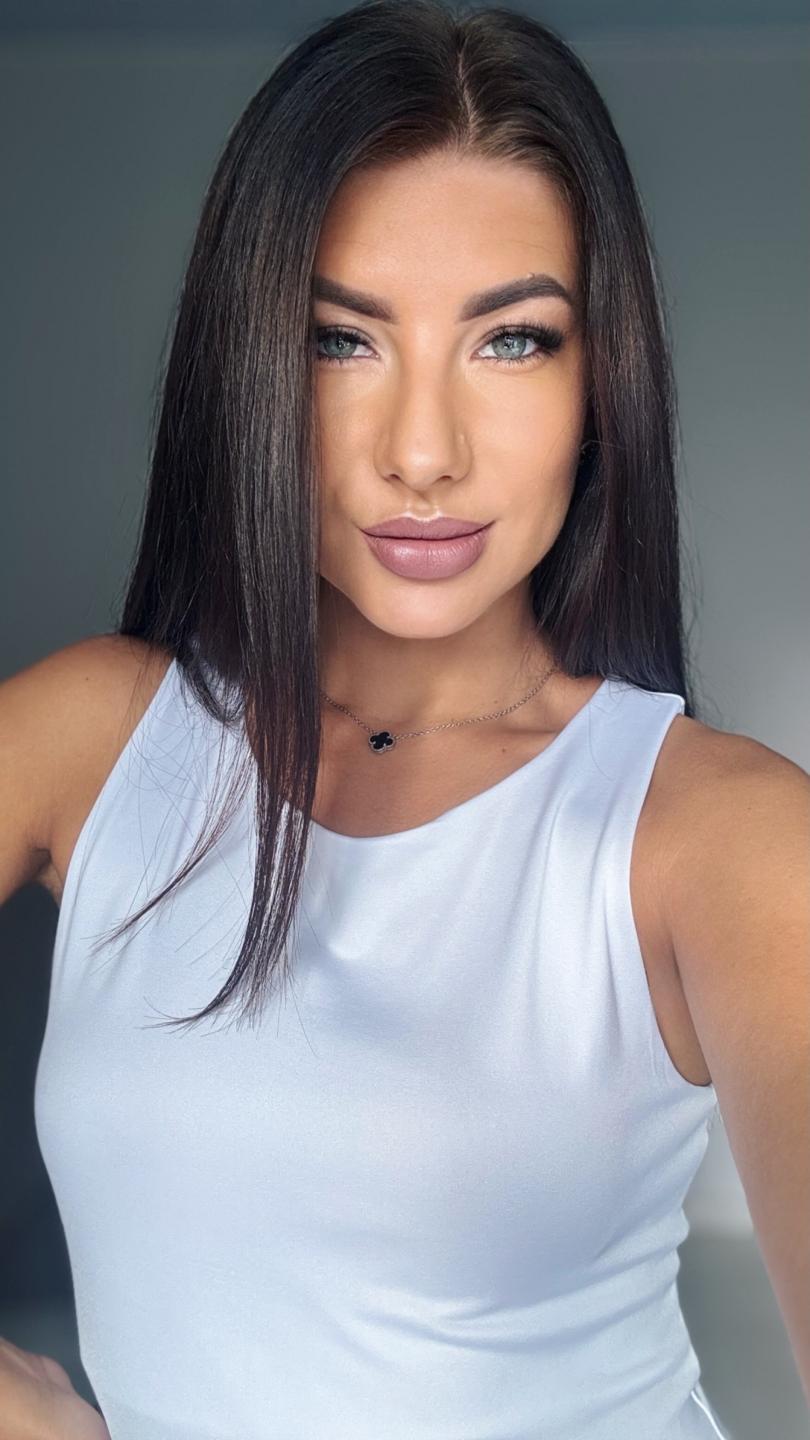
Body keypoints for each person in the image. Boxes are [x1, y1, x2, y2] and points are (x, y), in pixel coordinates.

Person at [1, 1, 807, 1436]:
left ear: (600, 381)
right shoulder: (93, 740)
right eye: (340, 340)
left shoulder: (723, 841)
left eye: (511, 341)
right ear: (248, 363)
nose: (421, 453)